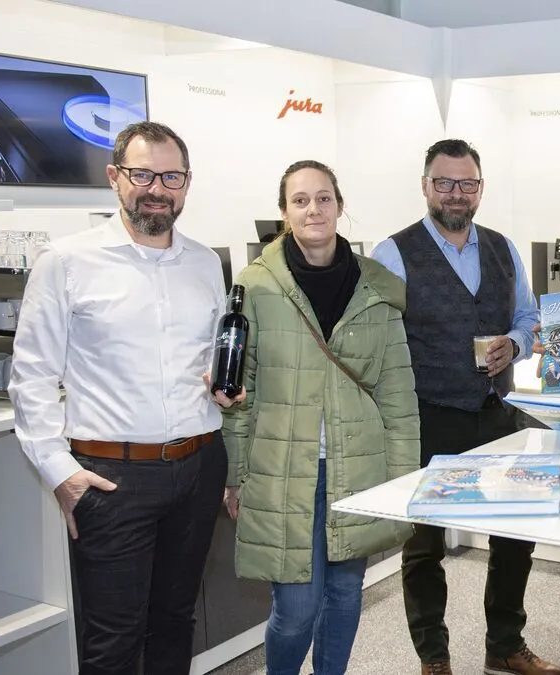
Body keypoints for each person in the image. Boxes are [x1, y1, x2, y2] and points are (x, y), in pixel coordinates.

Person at [8, 121, 240, 675]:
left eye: (171, 175)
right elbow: (31, 376)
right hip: (111, 478)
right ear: (115, 177)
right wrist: (60, 472)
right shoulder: (65, 262)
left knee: (175, 621)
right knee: (113, 639)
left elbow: (207, 356)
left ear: (186, 183)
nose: (157, 188)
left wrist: (223, 382)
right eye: (142, 174)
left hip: (199, 465)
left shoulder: (206, 262)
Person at [221, 160, 420, 675]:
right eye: (301, 200)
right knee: (296, 609)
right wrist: (235, 472)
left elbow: (397, 392)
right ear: (285, 212)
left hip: (357, 466)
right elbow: (242, 389)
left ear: (340, 204)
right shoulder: (257, 285)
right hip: (282, 468)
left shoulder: (376, 287)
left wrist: (403, 478)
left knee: (345, 595)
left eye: (324, 197)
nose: (314, 209)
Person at [372, 139, 560, 675]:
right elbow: (379, 340)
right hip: (428, 415)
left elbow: (528, 316)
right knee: (424, 544)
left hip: (497, 410)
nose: (456, 194)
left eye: (468, 184)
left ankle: (504, 644)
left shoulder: (503, 247)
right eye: (445, 183)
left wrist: (518, 344)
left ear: (481, 187)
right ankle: (434, 657)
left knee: (515, 534)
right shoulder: (394, 253)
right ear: (425, 185)